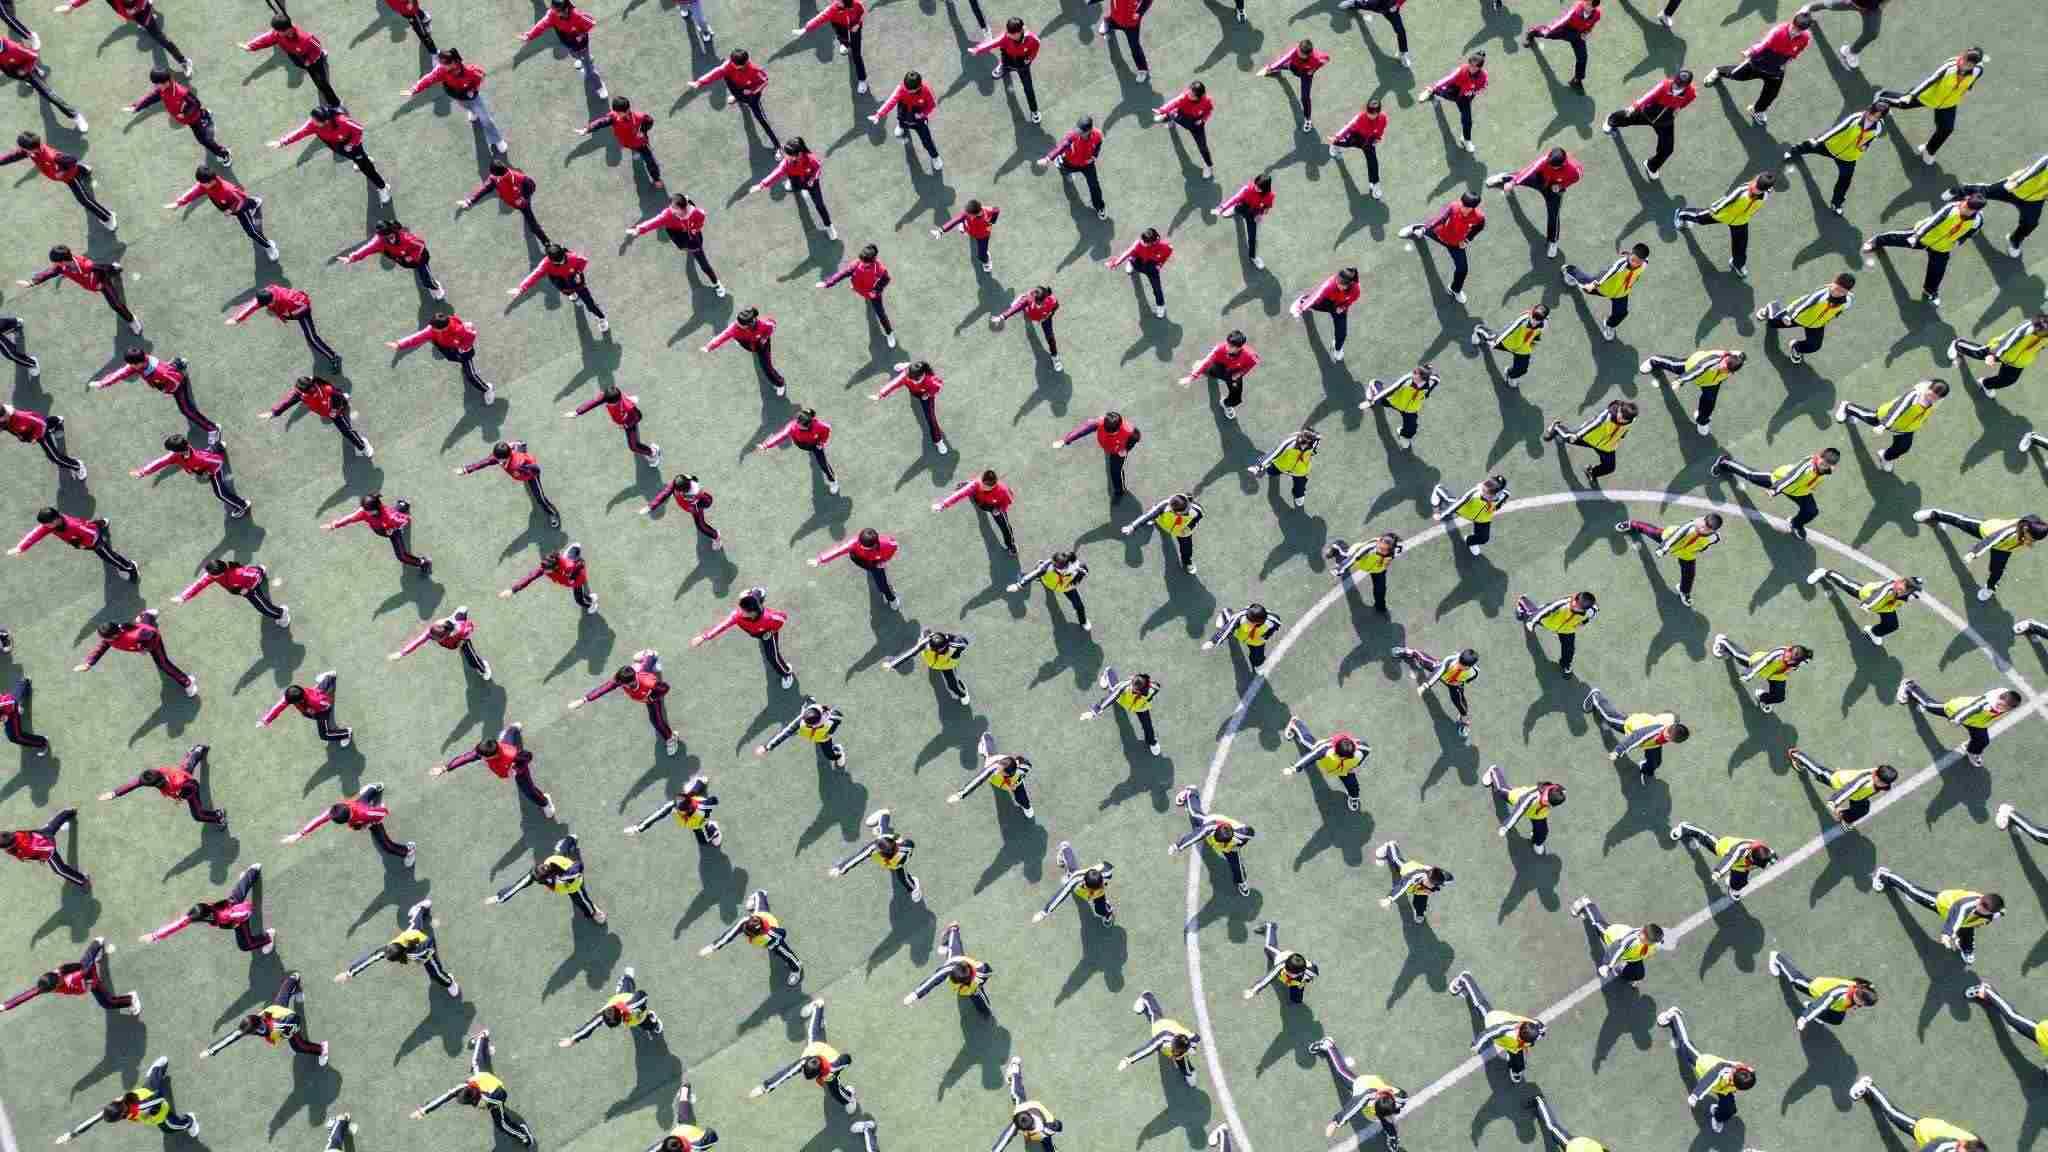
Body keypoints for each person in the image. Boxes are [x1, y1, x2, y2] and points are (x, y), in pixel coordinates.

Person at [412, 1029, 534, 1145]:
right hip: (482, 1076)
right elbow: (444, 1097)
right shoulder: (462, 1087)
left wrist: (489, 1105)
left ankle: (523, 1134)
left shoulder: (489, 1098)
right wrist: (424, 1110)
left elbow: (501, 1097)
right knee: (476, 1062)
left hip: (496, 1092)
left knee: (502, 1124)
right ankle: (482, 1036)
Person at [1862, 195, 1983, 306]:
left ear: (1975, 211)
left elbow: (1971, 233)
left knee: (1937, 272)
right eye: (1965, 205)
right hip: (1924, 237)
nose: (1964, 208)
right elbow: (1931, 223)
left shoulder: (1977, 221)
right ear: (1966, 200)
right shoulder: (1951, 209)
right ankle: (1877, 241)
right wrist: (1916, 237)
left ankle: (1930, 291)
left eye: (1968, 209)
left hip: (1942, 248)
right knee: (1897, 238)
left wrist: (1958, 241)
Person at [1870, 866, 2002, 962]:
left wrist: (1983, 921)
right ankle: (1884, 875)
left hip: (1967, 922)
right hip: (1942, 904)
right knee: (1913, 891)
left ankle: (1966, 948)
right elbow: (1956, 917)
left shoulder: (1996, 912)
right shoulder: (1966, 905)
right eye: (1981, 902)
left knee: (1967, 931)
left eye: (1984, 907)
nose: (1979, 905)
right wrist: (1947, 934)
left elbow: (1995, 914)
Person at [1653, 1008, 1754, 1132]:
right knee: (1685, 1045)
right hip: (1702, 1064)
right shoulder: (1721, 1069)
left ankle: (1717, 1116)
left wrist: (1746, 1073)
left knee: (1730, 1109)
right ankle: (1673, 1016)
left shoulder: (1743, 1077)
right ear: (1733, 1074)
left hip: (1721, 1088)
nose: (1736, 1088)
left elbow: (1748, 1072)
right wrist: (1695, 1096)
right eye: (1734, 1083)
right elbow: (1709, 1080)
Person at [1703, 12, 1813, 124]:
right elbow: (1763, 44)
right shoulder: (1778, 31)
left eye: (1799, 31)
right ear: (1792, 22)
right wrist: (1750, 51)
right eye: (1794, 28)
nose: (1794, 32)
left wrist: (1788, 61)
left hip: (1776, 71)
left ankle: (1757, 110)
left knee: (1771, 94)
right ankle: (1718, 71)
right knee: (1735, 75)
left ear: (1804, 30)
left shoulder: (1805, 38)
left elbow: (1798, 50)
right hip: (1758, 63)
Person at [52, 1057, 195, 1142]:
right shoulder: (115, 1106)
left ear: (121, 1115)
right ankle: (158, 1068)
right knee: (152, 1082)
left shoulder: (140, 1107)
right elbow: (92, 1120)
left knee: (171, 1127)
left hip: (159, 1112)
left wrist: (153, 1111)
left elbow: (158, 1098)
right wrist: (72, 1134)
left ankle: (190, 1120)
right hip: (144, 1092)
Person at [1915, 508, 2046, 601]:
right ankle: (1934, 514)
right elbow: (1991, 540)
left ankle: (1990, 587)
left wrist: (2027, 540)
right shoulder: (2010, 532)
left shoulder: (2031, 528)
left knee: (1996, 570)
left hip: (2004, 549)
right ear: (2026, 529)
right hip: (1986, 531)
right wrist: (1973, 553)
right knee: (1960, 521)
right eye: (2032, 538)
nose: (2032, 542)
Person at [1876, 47, 1982, 160]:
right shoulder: (1949, 68)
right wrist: (1911, 95)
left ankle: (1929, 151)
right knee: (1903, 104)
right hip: (1929, 97)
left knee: (1946, 129)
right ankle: (1883, 97)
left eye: (1969, 65)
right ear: (1962, 56)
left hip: (1948, 103)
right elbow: (1930, 80)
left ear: (1974, 65)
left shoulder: (1978, 70)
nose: (1964, 66)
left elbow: (1973, 79)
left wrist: (1968, 87)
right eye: (1964, 61)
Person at [201, 971, 329, 1064]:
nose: (245, 1033)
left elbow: (294, 1022)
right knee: (283, 995)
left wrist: (288, 1034)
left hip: (287, 1020)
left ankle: (322, 1049)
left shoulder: (276, 1027)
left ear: (257, 1027)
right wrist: (211, 1051)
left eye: (248, 1032)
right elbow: (232, 1037)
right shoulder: (255, 1022)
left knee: (298, 1046)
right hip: (275, 1011)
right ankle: (294, 979)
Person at [750, 998, 855, 1111]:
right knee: (819, 1007)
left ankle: (850, 1098)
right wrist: (764, 1087)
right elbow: (786, 1073)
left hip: (831, 1061)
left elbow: (846, 1059)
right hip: (816, 1043)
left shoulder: (832, 1070)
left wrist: (847, 1061)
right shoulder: (804, 1061)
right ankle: (816, 1005)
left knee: (835, 1090)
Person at [1710, 447, 1838, 538]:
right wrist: (1774, 489)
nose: (1823, 466)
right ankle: (1725, 463)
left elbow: (1826, 470)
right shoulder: (1807, 466)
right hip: (1779, 480)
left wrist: (1826, 471)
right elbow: (1791, 478)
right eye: (1823, 463)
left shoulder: (1828, 469)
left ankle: (1796, 523)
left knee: (1811, 511)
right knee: (1751, 475)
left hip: (1799, 492)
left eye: (1827, 465)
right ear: (1819, 456)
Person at [269, 104, 390, 200]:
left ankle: (383, 187)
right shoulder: (313, 124)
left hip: (352, 144)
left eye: (315, 120)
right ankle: (362, 159)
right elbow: (300, 132)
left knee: (366, 168)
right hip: (336, 145)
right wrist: (282, 142)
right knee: (356, 158)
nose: (312, 122)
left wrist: (352, 144)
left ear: (325, 121)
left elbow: (359, 129)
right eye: (312, 119)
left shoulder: (342, 120)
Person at [338, 898, 456, 996]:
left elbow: (429, 952)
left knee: (435, 974)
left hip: (427, 946)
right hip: (412, 934)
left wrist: (424, 960)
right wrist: (349, 973)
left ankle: (450, 982)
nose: (385, 956)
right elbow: (371, 957)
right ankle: (420, 908)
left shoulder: (420, 950)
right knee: (415, 925)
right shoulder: (391, 948)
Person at [1784, 102, 1886, 215]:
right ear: (1868, 109)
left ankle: (1836, 203)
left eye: (1876, 116)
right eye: (1871, 113)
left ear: (1880, 118)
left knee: (1844, 182)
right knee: (1810, 145)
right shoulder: (1855, 118)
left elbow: (1870, 140)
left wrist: (1865, 147)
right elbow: (1836, 129)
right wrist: (1819, 140)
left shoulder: (1878, 127)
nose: (1871, 117)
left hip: (1848, 158)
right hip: (1831, 147)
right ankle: (1793, 151)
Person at [141, 864, 270, 951]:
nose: (190, 920)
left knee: (246, 945)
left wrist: (242, 918)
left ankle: (268, 937)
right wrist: (155, 936)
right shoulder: (201, 911)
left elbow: (247, 908)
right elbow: (178, 924)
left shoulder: (225, 916)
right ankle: (254, 870)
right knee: (238, 892)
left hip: (237, 918)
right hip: (229, 903)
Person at [571, 649, 678, 755]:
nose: (618, 684)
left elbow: (665, 688)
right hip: (641, 675)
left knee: (656, 720)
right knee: (640, 662)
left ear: (631, 682)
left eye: (622, 684)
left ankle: (671, 738)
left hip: (650, 693)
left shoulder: (647, 683)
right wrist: (584, 700)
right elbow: (604, 688)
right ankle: (649, 658)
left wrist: (650, 698)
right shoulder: (621, 680)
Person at [282, 783, 415, 867]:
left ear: (348, 819)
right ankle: (375, 787)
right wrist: (299, 834)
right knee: (364, 798)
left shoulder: (365, 813)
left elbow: (383, 813)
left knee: (387, 846)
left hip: (370, 818)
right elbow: (318, 820)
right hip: (358, 807)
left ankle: (409, 850)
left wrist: (371, 822)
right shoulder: (336, 810)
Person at [1894, 678, 2021, 766]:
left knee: (1982, 740)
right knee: (1928, 705)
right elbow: (1970, 710)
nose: (2001, 708)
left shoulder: (2005, 699)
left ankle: (1972, 751)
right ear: (1999, 698)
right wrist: (1957, 719)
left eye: (2005, 708)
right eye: (2000, 704)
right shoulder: (1985, 704)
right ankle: (1909, 686)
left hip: (1977, 723)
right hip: (1956, 710)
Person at [436, 724, 555, 818]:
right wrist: (445, 768)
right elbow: (466, 757)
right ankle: (513, 728)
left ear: (494, 754)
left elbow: (528, 757)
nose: (480, 757)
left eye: (484, 757)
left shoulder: (513, 755)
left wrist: (516, 770)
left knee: (529, 792)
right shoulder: (483, 752)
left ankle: (545, 802)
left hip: (519, 769)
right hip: (504, 752)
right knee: (508, 736)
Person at [1, 132, 114, 230]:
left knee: (84, 200)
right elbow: (13, 156)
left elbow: (72, 160)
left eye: (23, 148)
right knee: (80, 169)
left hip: (70, 177)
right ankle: (85, 169)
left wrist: (62, 172)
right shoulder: (31, 151)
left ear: (31, 148)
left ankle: (108, 217)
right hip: (63, 172)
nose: (21, 150)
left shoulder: (52, 157)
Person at [19, 245, 140, 334]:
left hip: (101, 281)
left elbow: (101, 269)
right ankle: (114, 268)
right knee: (109, 272)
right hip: (92, 283)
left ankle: (132, 320)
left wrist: (100, 283)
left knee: (116, 305)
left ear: (63, 261)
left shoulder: (86, 265)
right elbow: (49, 273)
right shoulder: (61, 267)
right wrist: (32, 282)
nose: (54, 265)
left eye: (56, 262)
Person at [407, 48, 508, 154]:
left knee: (486, 120)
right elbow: (429, 78)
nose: (441, 66)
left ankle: (497, 140)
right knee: (467, 107)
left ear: (454, 63)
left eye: (444, 64)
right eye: (441, 63)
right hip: (458, 97)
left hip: (473, 98)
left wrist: (473, 89)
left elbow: (480, 77)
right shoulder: (442, 70)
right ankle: (473, 112)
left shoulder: (470, 71)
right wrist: (415, 89)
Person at [1448, 970, 1542, 1082]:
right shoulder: (1505, 1029)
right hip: (1492, 1020)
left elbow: (1539, 1028)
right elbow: (1488, 1033)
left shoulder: (1533, 1029)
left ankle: (1516, 1070)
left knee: (1518, 1059)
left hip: (1513, 1045)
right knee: (1480, 1003)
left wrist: (1539, 1032)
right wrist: (1477, 1044)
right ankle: (1465, 979)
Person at [1834, 380, 1947, 472]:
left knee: (1903, 447)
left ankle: (1885, 457)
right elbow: (1897, 410)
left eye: (1935, 398)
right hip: (1887, 418)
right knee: (1869, 417)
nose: (1931, 399)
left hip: (1905, 428)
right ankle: (1847, 407)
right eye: (1931, 395)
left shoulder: (1937, 401)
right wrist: (1883, 425)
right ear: (1928, 388)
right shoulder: (1914, 396)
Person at [1310, 1036, 1407, 1143]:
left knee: (1386, 1119)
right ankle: (1329, 1045)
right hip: (1361, 1085)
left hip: (1377, 1093)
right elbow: (1353, 1107)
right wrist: (1335, 1122)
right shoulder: (1368, 1095)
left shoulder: (1397, 1100)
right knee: (1340, 1071)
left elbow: (1399, 1101)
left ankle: (1393, 1137)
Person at [489, 835, 606, 924]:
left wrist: (571, 876)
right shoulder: (538, 872)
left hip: (573, 886)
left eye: (539, 879)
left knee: (582, 900)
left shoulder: (566, 872)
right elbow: (518, 885)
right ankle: (571, 839)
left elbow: (579, 866)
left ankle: (592, 912)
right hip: (560, 875)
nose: (536, 880)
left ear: (549, 875)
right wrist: (500, 897)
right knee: (561, 849)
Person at [1486, 148, 1580, 257]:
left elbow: (1574, 179)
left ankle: (1553, 242)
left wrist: (1561, 186)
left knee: (1554, 215)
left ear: (1562, 164)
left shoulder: (1574, 169)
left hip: (1553, 190)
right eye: (1549, 163)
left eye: (1553, 166)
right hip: (1540, 179)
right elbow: (1529, 170)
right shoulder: (1545, 160)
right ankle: (1503, 177)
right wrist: (1513, 183)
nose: (1549, 165)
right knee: (1521, 177)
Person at [692, 586, 794, 686]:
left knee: (772, 657)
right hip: (756, 632)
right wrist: (704, 637)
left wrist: (771, 631)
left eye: (744, 611)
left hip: (767, 634)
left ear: (753, 612)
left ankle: (787, 673)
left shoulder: (769, 617)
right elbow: (722, 626)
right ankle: (756, 593)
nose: (741, 612)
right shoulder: (737, 615)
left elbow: (783, 618)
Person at [1847, 1077, 1984, 1152]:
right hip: (1925, 1130)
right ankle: (1868, 1086)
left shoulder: (1974, 1145)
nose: (1959, 1146)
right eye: (1960, 1148)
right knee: (1893, 1113)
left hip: (1935, 1134)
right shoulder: (1944, 1146)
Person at [79, 610, 196, 697]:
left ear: (114, 635)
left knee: (163, 664)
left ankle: (188, 682)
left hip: (153, 643)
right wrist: (89, 663)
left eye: (105, 638)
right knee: (144, 622)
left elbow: (153, 634)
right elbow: (102, 647)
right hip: (142, 637)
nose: (104, 640)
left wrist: (144, 648)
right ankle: (148, 615)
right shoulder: (111, 639)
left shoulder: (135, 635)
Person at [1946, 157, 2046, 258]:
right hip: (2015, 187)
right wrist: (2017, 182)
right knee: (1985, 192)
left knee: (2030, 223)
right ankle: (1959, 191)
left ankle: (2014, 241)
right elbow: (2040, 165)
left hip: (2034, 200)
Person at [1674, 172, 1770, 278]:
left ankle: (1738, 264)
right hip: (1723, 214)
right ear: (1756, 179)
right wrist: (1714, 209)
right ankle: (1681, 214)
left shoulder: (1766, 193)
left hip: (1741, 221)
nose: (1755, 189)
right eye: (1756, 185)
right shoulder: (1742, 190)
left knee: (1741, 246)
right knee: (1700, 218)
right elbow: (1727, 200)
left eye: (1759, 189)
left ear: (1764, 190)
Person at [1603, 70, 1694, 180]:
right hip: (1647, 113)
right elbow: (1649, 95)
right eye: (1676, 83)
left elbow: (1687, 101)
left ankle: (1651, 166)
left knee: (1667, 149)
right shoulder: (1665, 85)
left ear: (1686, 86)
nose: (1675, 86)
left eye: (1679, 85)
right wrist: (1634, 107)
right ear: (1674, 79)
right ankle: (1611, 120)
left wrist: (1678, 108)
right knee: (1627, 116)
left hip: (1665, 122)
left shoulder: (1691, 93)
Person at [699, 888, 804, 984]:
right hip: (762, 918)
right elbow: (728, 936)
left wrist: (774, 942)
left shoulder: (770, 934)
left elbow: (783, 933)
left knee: (785, 953)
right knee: (760, 899)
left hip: (772, 937)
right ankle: (759, 894)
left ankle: (796, 969)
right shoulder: (745, 922)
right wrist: (713, 947)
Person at [124, 65, 228, 161]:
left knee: (204, 141)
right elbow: (150, 98)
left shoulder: (181, 92)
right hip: (186, 118)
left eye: (157, 84)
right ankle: (205, 114)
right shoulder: (162, 89)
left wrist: (185, 114)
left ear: (166, 82)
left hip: (193, 120)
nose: (155, 86)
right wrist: (137, 107)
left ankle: (224, 154)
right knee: (201, 117)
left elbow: (196, 103)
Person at [101, 745, 223, 826]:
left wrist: (182, 796)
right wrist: (114, 793)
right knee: (187, 766)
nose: (140, 783)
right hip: (180, 773)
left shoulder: (178, 783)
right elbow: (133, 784)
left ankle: (218, 816)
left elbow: (194, 786)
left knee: (198, 815)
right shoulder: (153, 775)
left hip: (189, 785)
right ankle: (197, 750)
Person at [13, 507, 141, 583]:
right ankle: (103, 523)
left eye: (46, 524)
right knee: (93, 524)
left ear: (56, 520)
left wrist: (83, 545)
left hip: (95, 541)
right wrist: (21, 547)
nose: (44, 527)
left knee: (109, 557)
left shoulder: (73, 526)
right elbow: (36, 534)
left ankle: (129, 568)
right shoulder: (52, 525)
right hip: (85, 530)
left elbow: (91, 535)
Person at [1582, 687, 1687, 780]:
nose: (1666, 735)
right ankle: (1596, 696)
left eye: (1669, 738)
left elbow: (1673, 717)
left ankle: (1646, 769)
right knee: (1609, 717)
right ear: (1668, 727)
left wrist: (1672, 716)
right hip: (1632, 726)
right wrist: (1618, 751)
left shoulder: (1672, 728)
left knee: (1655, 762)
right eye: (1668, 731)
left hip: (1653, 743)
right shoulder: (1654, 731)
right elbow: (1636, 738)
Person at [131, 435, 248, 517]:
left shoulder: (197, 458)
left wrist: (210, 473)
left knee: (220, 493)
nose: (170, 453)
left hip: (213, 468)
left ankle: (242, 505)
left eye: (172, 450)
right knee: (209, 451)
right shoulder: (177, 454)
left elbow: (218, 462)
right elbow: (160, 462)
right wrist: (143, 472)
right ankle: (218, 447)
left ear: (178, 451)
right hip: (201, 464)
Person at [1169, 785, 1255, 895]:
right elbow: (1193, 837)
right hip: (1210, 822)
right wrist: (1177, 846)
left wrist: (1239, 845)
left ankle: (1241, 882)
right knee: (1195, 815)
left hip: (1230, 848)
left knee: (1236, 865)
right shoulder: (1208, 828)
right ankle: (1191, 793)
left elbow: (1250, 834)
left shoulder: (1240, 835)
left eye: (1220, 843)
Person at [227, 285, 342, 367]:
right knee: (308, 336)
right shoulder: (265, 294)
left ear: (271, 300)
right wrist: (236, 319)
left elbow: (305, 305)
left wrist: (290, 315)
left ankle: (334, 357)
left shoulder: (288, 300)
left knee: (312, 338)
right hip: (287, 310)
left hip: (301, 310)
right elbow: (252, 306)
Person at [456, 440, 561, 529]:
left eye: (498, 459)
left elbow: (536, 469)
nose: (496, 460)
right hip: (522, 468)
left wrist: (529, 475)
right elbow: (485, 462)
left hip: (531, 476)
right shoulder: (501, 455)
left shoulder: (519, 464)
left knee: (540, 497)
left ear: (506, 457)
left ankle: (552, 514)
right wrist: (466, 469)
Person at [390, 312, 494, 402]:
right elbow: (418, 337)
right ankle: (462, 363)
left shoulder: (460, 330)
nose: (431, 329)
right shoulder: (432, 329)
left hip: (463, 352)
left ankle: (487, 389)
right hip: (449, 350)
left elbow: (471, 336)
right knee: (456, 360)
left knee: (471, 375)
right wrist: (400, 344)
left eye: (434, 328)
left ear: (445, 328)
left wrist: (462, 348)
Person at [629, 193, 721, 293]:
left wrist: (695, 229)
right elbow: (654, 222)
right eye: (671, 206)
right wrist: (640, 229)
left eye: (674, 207)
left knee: (704, 264)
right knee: (682, 247)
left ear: (682, 209)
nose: (671, 209)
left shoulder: (696, 213)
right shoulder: (668, 214)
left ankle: (717, 284)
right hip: (676, 233)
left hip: (692, 236)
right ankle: (687, 248)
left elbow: (701, 219)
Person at [509, 244, 609, 334]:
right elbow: (534, 275)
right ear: (550, 259)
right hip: (560, 282)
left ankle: (601, 318)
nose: (562, 263)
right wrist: (521, 288)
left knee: (590, 304)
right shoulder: (545, 264)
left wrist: (578, 273)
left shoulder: (572, 257)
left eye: (563, 260)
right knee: (567, 292)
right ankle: (573, 294)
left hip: (576, 280)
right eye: (558, 262)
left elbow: (584, 261)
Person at [690, 49, 778, 150]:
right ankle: (737, 97)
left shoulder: (754, 70)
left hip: (751, 95)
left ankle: (778, 146)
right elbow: (717, 72)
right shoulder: (729, 64)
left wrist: (752, 91)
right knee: (726, 76)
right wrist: (699, 82)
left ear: (741, 65)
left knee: (761, 119)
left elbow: (764, 81)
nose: (730, 63)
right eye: (730, 61)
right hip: (737, 88)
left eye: (733, 63)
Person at [902, 921, 995, 1017]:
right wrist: (914, 995)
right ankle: (951, 932)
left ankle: (985, 1012)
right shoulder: (948, 969)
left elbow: (988, 972)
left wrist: (977, 987)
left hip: (972, 986)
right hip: (955, 958)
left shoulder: (981, 972)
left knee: (978, 998)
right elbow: (932, 981)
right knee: (953, 933)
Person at [1638, 348, 1742, 434]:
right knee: (1674, 365)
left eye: (1726, 370)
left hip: (1711, 382)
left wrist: (1739, 356)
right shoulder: (1712, 360)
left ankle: (1702, 421)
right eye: (1724, 365)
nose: (1722, 368)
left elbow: (1741, 356)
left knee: (1709, 402)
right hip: (1692, 366)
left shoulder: (1734, 364)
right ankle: (1654, 361)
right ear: (1726, 358)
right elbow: (1697, 370)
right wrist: (1680, 380)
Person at [1757, 272, 1854, 363]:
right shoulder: (1820, 295)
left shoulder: (1848, 301)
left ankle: (1796, 347)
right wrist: (1789, 317)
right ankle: (1771, 307)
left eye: (1842, 291)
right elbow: (1802, 304)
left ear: (1847, 292)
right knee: (1772, 323)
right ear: (1832, 283)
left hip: (1816, 325)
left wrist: (1826, 319)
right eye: (1837, 288)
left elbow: (1839, 311)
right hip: (1798, 317)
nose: (1838, 293)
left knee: (1814, 346)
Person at [326, 493, 432, 575]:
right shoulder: (364, 512)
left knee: (402, 556)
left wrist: (394, 528)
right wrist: (335, 525)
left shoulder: (389, 517)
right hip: (383, 528)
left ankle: (423, 562)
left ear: (376, 509)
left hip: (393, 532)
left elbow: (405, 520)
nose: (364, 512)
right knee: (396, 511)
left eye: (367, 511)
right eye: (364, 509)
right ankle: (403, 505)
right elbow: (350, 518)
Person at [262, 375, 370, 457]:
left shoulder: (326, 389)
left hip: (335, 411)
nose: (310, 392)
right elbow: (288, 401)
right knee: (340, 398)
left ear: (312, 386)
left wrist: (334, 411)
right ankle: (344, 399)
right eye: (303, 391)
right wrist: (274, 412)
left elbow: (336, 398)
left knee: (346, 431)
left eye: (309, 390)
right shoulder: (301, 393)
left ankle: (362, 446)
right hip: (327, 409)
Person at [748, 138, 834, 240]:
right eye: (786, 154)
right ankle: (794, 186)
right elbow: (776, 173)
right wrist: (761, 185)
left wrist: (812, 179)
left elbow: (818, 168)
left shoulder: (810, 159)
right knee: (794, 186)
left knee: (820, 205)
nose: (785, 157)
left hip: (812, 184)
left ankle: (829, 226)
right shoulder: (786, 163)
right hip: (795, 180)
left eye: (788, 155)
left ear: (798, 154)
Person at [829, 808, 922, 901]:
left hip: (897, 859)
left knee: (902, 877)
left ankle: (913, 887)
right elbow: (858, 857)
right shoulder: (874, 847)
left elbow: (910, 844)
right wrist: (840, 869)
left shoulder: (905, 848)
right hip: (889, 843)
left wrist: (899, 845)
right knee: (882, 830)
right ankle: (883, 814)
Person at [1768, 950, 1875, 1030]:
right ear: (1859, 996)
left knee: (1837, 1019)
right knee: (1796, 980)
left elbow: (1869, 988)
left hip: (1837, 1005)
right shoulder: (1838, 993)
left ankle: (1814, 1011)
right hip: (1817, 989)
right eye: (1862, 1003)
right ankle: (1777, 957)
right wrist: (1804, 1018)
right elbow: (1822, 1004)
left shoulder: (1863, 988)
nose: (1862, 1005)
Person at [1788, 748, 1897, 826]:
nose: (1883, 785)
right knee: (1818, 771)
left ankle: (1843, 816)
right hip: (1838, 781)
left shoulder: (1882, 781)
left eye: (1885, 783)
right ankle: (1797, 755)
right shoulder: (1864, 781)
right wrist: (1834, 802)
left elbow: (1881, 785)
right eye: (1881, 782)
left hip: (1858, 796)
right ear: (1875, 775)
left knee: (1863, 809)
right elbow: (1849, 790)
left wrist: (1884, 786)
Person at [1569, 895, 1668, 982]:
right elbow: (1616, 951)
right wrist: (1607, 966)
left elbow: (1657, 942)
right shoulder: (1629, 942)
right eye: (1651, 941)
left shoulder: (1650, 939)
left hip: (1632, 956)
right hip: (1611, 936)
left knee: (1638, 974)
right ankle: (1586, 904)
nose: (1652, 943)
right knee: (1597, 923)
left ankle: (1622, 971)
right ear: (1643, 935)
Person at [521, 0, 606, 99]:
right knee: (575, 55)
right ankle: (585, 58)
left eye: (557, 11)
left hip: (581, 44)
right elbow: (542, 24)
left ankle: (600, 87)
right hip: (568, 43)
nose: (554, 13)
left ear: (565, 9)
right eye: (553, 10)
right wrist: (530, 35)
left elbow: (591, 22)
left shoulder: (576, 15)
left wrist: (582, 33)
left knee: (589, 70)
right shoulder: (552, 14)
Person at [1562, 243, 1648, 340]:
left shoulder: (1644, 264)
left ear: (1643, 260)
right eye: (1633, 260)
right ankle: (1570, 270)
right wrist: (1592, 285)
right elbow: (1607, 274)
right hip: (1603, 288)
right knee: (1585, 286)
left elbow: (1642, 262)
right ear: (1631, 254)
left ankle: (1609, 325)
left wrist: (1630, 254)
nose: (1634, 264)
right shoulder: (1621, 265)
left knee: (1621, 313)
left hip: (1621, 294)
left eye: (1638, 262)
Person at [1710, 634, 1812, 714]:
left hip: (1777, 675)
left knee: (1779, 697)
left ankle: (1761, 697)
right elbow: (1764, 662)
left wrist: (1806, 657)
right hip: (1758, 664)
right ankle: (1723, 642)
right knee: (1738, 655)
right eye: (1789, 653)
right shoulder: (1779, 653)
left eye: (1790, 658)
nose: (1786, 656)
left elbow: (1806, 658)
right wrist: (1749, 673)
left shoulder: (1799, 662)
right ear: (1790, 649)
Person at [1055, 411, 1141, 506]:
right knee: (1110, 460)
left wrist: (1126, 449)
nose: (1109, 434)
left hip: (1117, 452)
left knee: (1115, 471)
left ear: (1119, 428)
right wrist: (1065, 440)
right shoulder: (1099, 422)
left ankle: (1119, 491)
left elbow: (1136, 438)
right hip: (1108, 447)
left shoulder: (1130, 431)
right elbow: (1083, 429)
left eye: (1111, 434)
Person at [340, 219, 442, 299]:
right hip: (404, 260)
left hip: (420, 259)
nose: (390, 238)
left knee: (426, 281)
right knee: (413, 269)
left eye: (390, 235)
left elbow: (421, 245)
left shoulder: (406, 238)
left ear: (393, 231)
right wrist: (352, 258)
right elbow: (366, 249)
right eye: (386, 237)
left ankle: (436, 288)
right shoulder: (379, 241)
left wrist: (412, 257)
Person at [561, 967, 663, 1047]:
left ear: (620, 1016)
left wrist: (640, 1007)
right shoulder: (604, 1014)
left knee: (645, 1022)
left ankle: (652, 1021)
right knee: (625, 991)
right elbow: (589, 1026)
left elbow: (643, 995)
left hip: (632, 1004)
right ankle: (626, 978)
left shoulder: (634, 1004)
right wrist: (573, 1039)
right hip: (622, 1000)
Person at [1280, 717, 1365, 812]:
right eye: (1342, 757)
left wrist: (1355, 766)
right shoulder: (1324, 750)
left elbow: (1366, 752)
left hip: (1344, 769)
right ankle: (1295, 723)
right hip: (1327, 762)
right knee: (1308, 742)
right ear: (1336, 752)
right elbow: (1310, 757)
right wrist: (1294, 769)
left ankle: (1354, 797)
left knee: (1353, 786)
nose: (1344, 759)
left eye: (1348, 757)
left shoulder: (1362, 748)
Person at [0, 33, 85, 128]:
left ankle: (75, 115)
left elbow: (33, 56)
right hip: (14, 71)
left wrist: (25, 70)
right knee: (15, 73)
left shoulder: (14, 48)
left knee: (48, 95)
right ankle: (36, 72)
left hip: (28, 72)